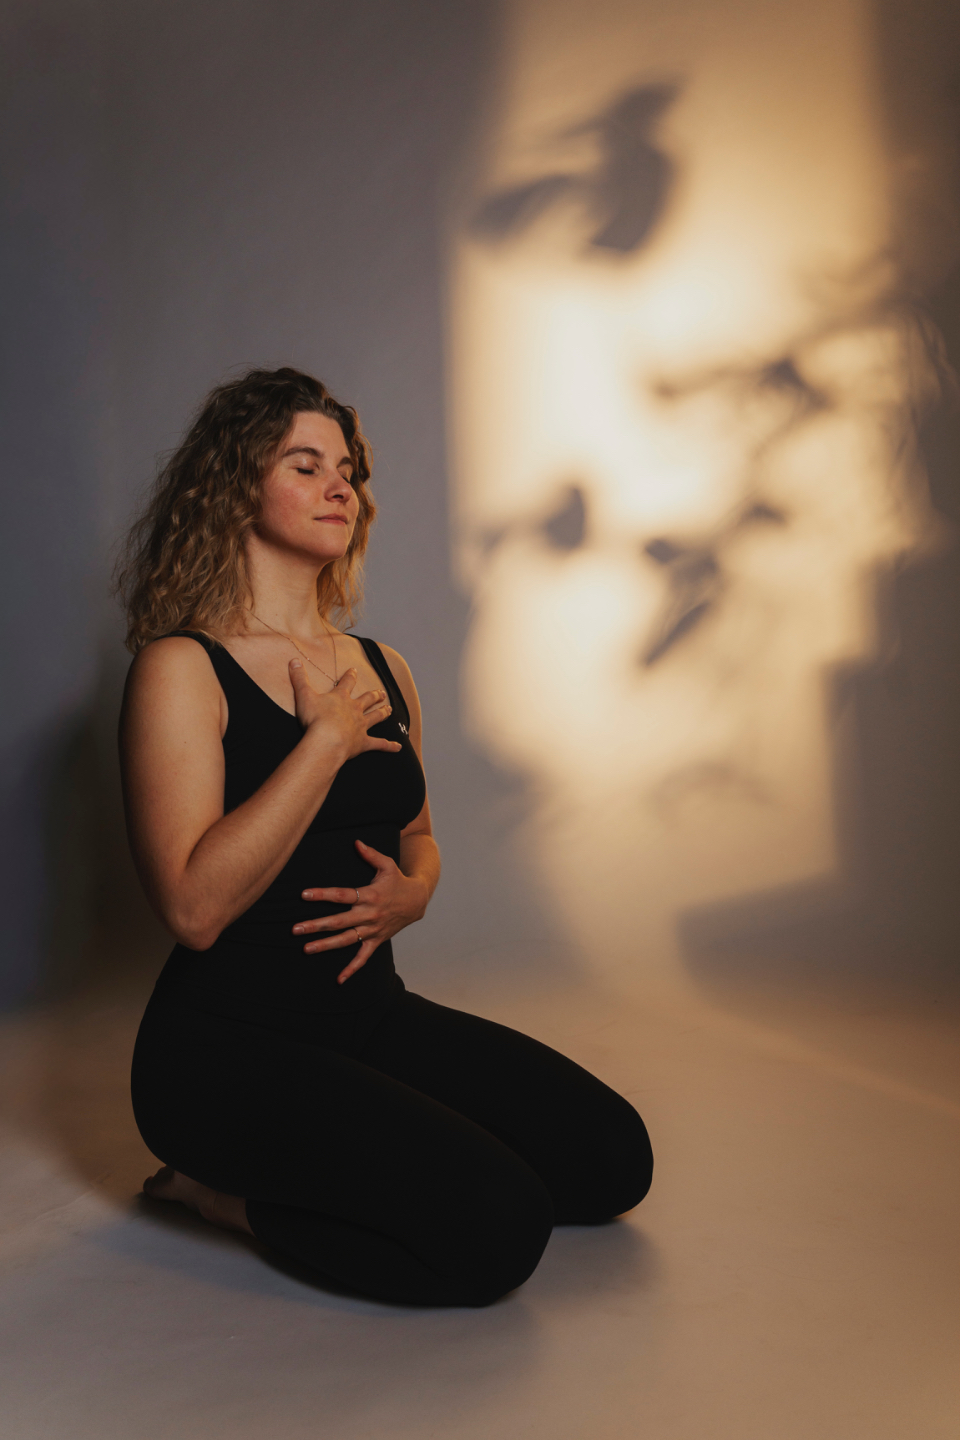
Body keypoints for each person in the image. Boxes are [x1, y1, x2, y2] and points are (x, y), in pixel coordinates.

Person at [117, 366, 653, 1308]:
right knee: (499, 1230)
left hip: (367, 1019)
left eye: (349, 471)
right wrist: (322, 744)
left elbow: (419, 835)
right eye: (306, 465)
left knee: (613, 1158)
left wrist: (418, 890)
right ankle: (217, 1197)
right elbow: (194, 910)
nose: (342, 488)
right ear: (237, 487)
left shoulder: (381, 666)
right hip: (223, 1053)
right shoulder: (182, 667)